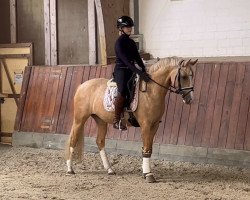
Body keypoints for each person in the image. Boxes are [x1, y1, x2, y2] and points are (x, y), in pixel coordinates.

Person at [113, 16, 151, 131]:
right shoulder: (119, 43)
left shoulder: (131, 42)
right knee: (123, 90)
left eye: (130, 26)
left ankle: (135, 115)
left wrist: (144, 70)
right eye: (127, 27)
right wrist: (139, 71)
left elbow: (137, 58)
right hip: (121, 70)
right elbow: (126, 61)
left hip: (131, 69)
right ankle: (116, 120)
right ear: (121, 28)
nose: (129, 29)